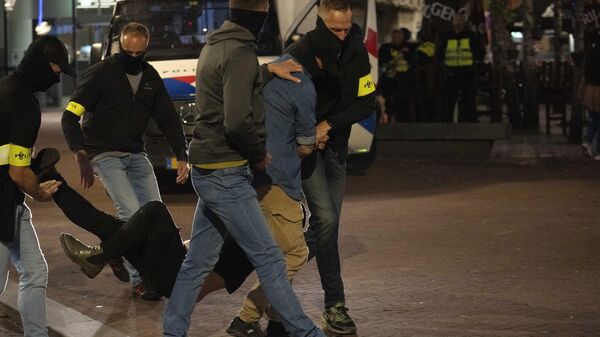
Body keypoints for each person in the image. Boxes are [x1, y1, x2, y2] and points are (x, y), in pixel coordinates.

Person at [162, 1, 325, 337]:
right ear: (260, 17)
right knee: (270, 259)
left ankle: (172, 332)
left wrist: (266, 72)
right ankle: (309, 333)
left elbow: (227, 87)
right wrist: (258, 154)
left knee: (196, 264)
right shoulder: (240, 53)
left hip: (207, 168)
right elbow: (237, 121)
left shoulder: (217, 45)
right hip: (227, 172)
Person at [61, 22, 190, 298]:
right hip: (105, 153)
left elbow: (168, 119)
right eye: (127, 52)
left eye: (139, 53)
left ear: (146, 48)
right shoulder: (99, 74)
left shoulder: (151, 78)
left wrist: (181, 154)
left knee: (156, 214)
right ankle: (140, 279)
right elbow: (70, 116)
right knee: (130, 213)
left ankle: (117, 248)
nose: (133, 58)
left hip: (135, 153)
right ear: (119, 46)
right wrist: (80, 153)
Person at [288, 0, 377, 334]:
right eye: (335, 29)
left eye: (346, 28)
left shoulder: (357, 51)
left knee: (325, 227)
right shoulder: (301, 50)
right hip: (307, 151)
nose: (342, 35)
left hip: (336, 149)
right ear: (321, 23)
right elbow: (283, 101)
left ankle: (271, 285)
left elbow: (365, 103)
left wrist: (328, 125)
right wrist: (309, 133)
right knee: (326, 219)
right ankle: (335, 304)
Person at [0, 36, 74, 337]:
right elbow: (18, 172)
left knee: (34, 270)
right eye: (56, 68)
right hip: (4, 201)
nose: (57, 75)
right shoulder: (24, 104)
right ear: (41, 65)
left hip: (11, 202)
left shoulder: (5, 87)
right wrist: (41, 192)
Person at [435, 11, 485, 123]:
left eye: (461, 20)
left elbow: (479, 52)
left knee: (468, 100)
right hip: (450, 73)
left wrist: (476, 61)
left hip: (467, 73)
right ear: (452, 21)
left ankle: (468, 123)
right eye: (457, 20)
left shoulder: (471, 36)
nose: (459, 22)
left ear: (464, 22)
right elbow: (439, 54)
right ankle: (446, 123)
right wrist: (443, 66)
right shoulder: (446, 36)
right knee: (448, 100)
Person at [378, 28, 415, 123]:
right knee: (389, 103)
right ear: (392, 37)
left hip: (405, 81)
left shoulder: (408, 48)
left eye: (400, 37)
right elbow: (383, 63)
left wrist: (407, 54)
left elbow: (413, 63)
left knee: (403, 103)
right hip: (390, 80)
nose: (399, 39)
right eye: (397, 36)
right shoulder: (386, 48)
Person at [581, 31, 600, 159]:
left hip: (590, 89)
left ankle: (588, 142)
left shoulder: (592, 54)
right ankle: (597, 150)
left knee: (595, 118)